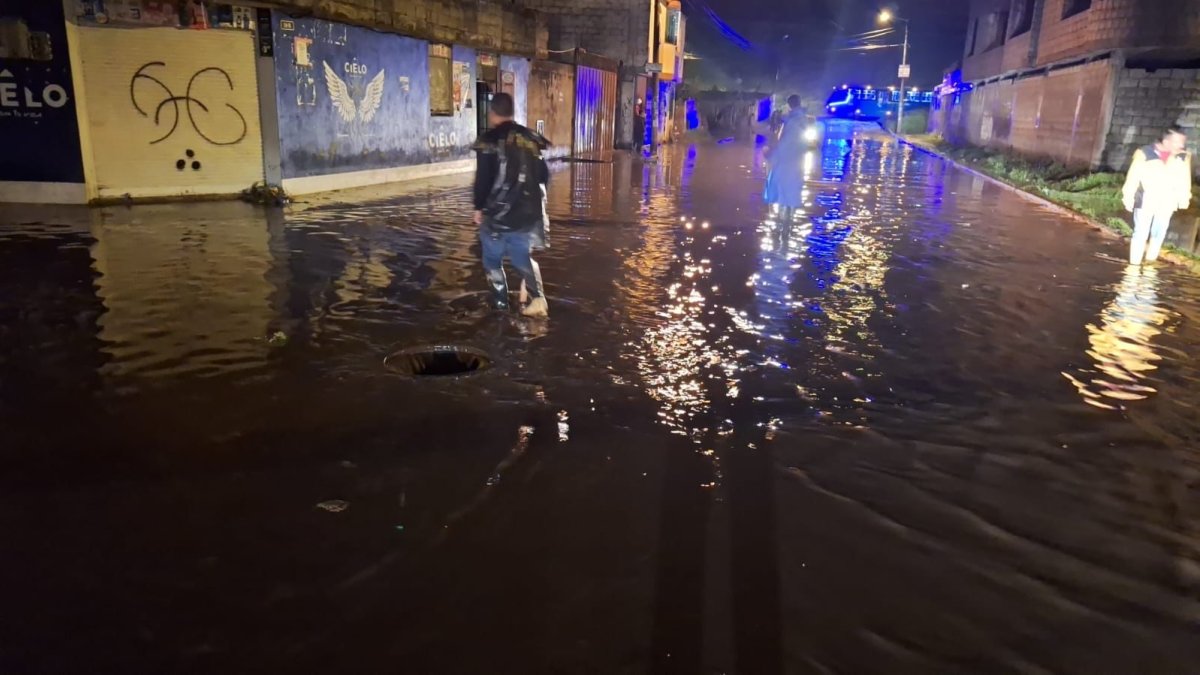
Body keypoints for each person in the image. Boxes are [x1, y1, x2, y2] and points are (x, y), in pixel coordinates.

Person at [472, 92, 551, 316]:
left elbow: (483, 180)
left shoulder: (488, 142)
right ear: (511, 112)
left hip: (496, 217)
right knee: (522, 258)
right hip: (526, 217)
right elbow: (544, 176)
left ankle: (500, 306)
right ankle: (539, 300)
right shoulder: (530, 139)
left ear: (492, 113)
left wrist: (478, 208)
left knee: (492, 261)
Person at [1122, 127, 1192, 265]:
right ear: (1166, 141)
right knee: (1140, 233)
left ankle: (1149, 263)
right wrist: (1128, 196)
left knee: (1158, 233)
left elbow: (1185, 179)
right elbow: (1133, 177)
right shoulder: (1144, 153)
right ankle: (1134, 267)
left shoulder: (1183, 157)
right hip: (1146, 199)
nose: (1181, 146)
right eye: (1178, 142)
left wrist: (1184, 198)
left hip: (1167, 201)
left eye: (1183, 142)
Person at [763, 95, 807, 219]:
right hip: (797, 161)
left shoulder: (794, 120)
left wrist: (771, 155)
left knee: (784, 190)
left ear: (790, 105)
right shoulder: (799, 118)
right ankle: (787, 220)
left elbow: (787, 144)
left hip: (788, 161)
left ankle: (784, 223)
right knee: (790, 190)